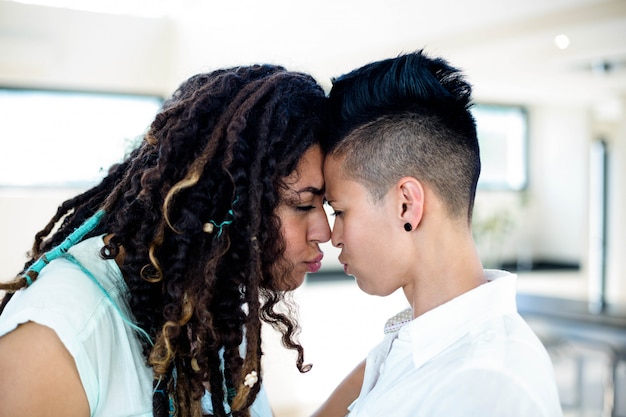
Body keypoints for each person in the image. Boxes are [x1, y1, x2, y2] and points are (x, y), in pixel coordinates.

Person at [0, 64, 331, 417]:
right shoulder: (64, 326)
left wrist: (382, 366)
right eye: (303, 204)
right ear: (224, 199)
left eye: (327, 206)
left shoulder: (212, 308)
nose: (325, 231)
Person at [316, 50, 563, 416]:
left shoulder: (488, 387)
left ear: (406, 206)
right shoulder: (417, 344)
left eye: (339, 211)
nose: (330, 235)